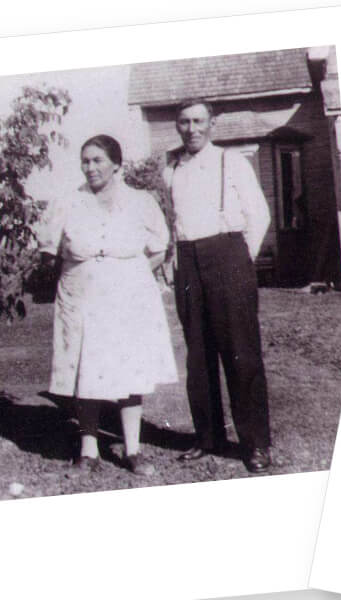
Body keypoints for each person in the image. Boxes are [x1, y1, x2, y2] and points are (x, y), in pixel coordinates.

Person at [40, 135, 177, 474]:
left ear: (116, 163)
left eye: (98, 160)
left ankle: (133, 449)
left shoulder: (140, 201)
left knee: (130, 367)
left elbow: (160, 246)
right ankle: (89, 451)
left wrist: (131, 275)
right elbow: (48, 250)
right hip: (81, 296)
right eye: (85, 161)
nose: (91, 167)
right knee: (84, 366)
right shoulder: (68, 201)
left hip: (129, 296)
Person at [162, 100, 274, 472]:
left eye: (198, 121)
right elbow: (174, 222)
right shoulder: (172, 168)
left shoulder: (232, 162)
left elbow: (259, 214)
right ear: (176, 126)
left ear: (212, 123)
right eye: (184, 122)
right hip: (188, 262)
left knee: (241, 354)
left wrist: (240, 260)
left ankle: (256, 444)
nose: (191, 129)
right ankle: (207, 435)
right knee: (199, 355)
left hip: (228, 257)